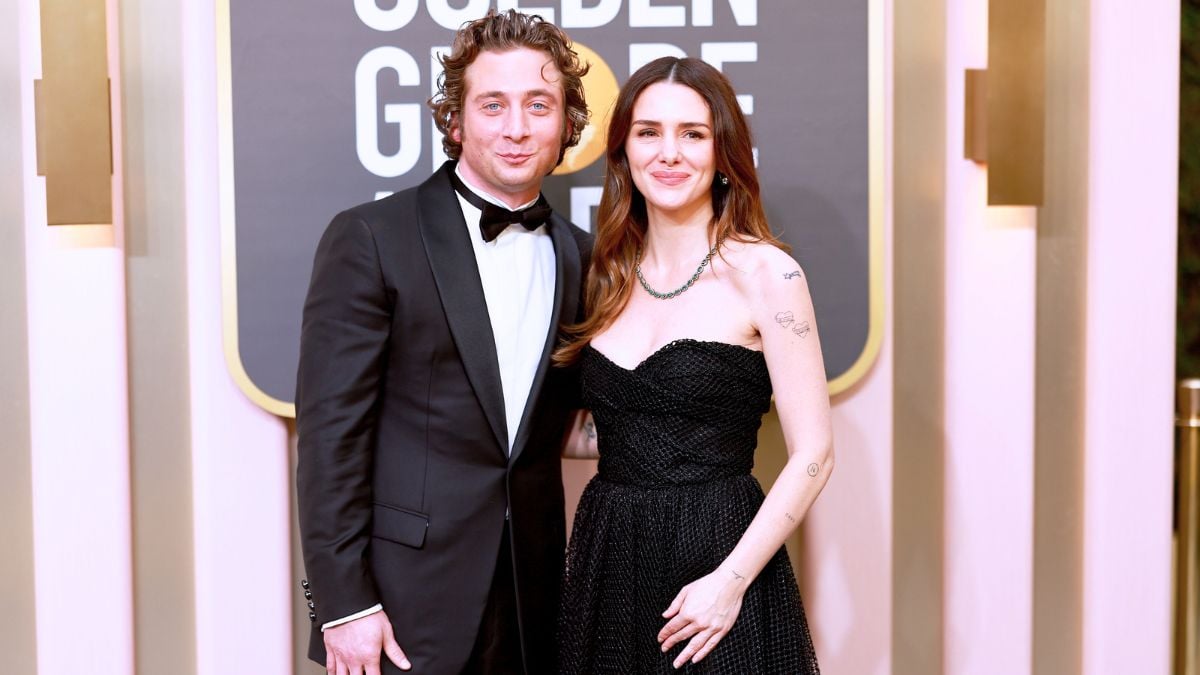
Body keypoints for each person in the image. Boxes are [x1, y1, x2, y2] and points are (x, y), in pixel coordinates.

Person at [295, 10, 592, 675]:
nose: (517, 128)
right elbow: (328, 440)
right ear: (456, 121)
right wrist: (340, 605)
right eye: (494, 105)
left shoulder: (582, 256)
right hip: (400, 609)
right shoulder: (372, 237)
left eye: (538, 105)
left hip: (536, 603)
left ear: (566, 124)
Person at [556, 56, 832, 673]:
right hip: (610, 558)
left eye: (693, 134)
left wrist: (729, 582)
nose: (669, 153)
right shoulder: (605, 277)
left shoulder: (768, 274)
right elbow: (609, 428)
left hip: (718, 558)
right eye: (649, 132)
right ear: (624, 151)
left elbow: (814, 454)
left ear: (723, 152)